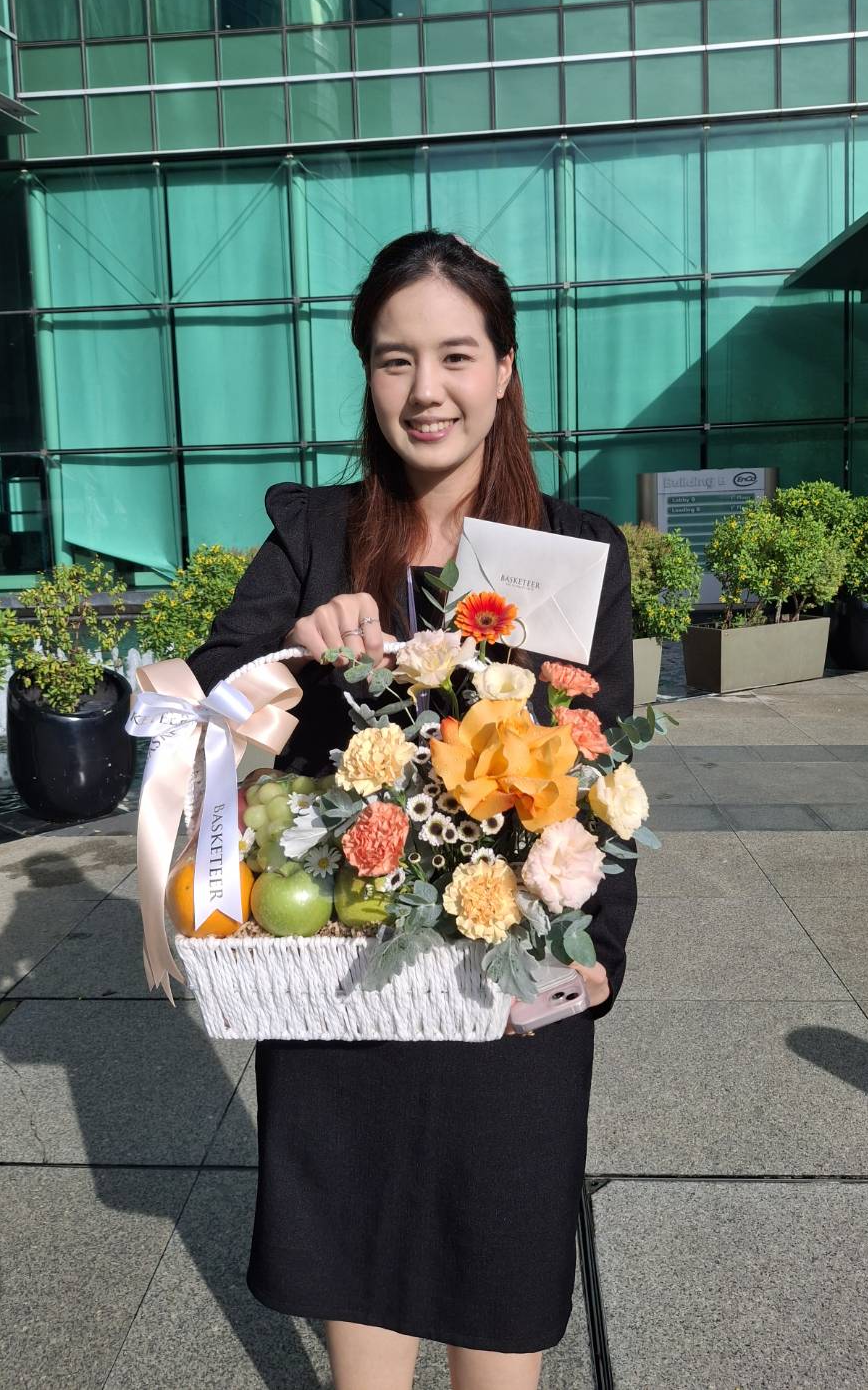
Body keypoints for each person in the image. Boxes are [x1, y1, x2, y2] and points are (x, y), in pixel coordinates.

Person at [185, 228, 638, 1390]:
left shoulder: (571, 550)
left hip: (507, 1001)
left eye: (454, 355)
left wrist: (598, 949)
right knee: (362, 1297)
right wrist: (293, 658)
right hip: (345, 991)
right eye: (395, 360)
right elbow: (199, 707)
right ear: (368, 374)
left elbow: (604, 776)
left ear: (504, 369)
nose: (425, 390)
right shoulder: (315, 539)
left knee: (502, 1301)